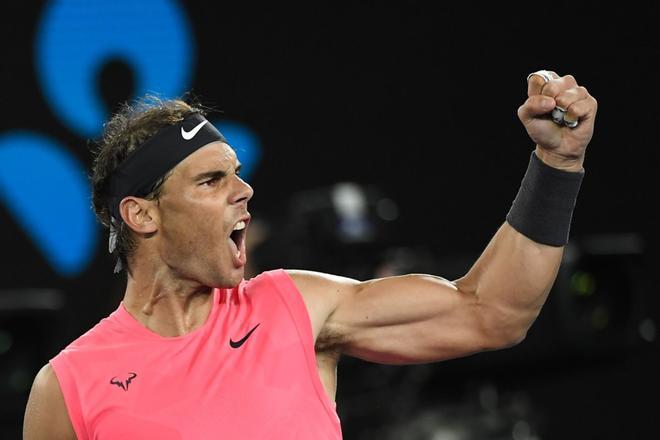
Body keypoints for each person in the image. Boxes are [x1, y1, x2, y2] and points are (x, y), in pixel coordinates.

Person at [23, 70, 597, 439]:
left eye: (237, 175)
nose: (244, 191)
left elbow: (493, 310)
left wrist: (557, 166)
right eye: (210, 181)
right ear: (142, 215)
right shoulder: (69, 388)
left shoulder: (296, 308)